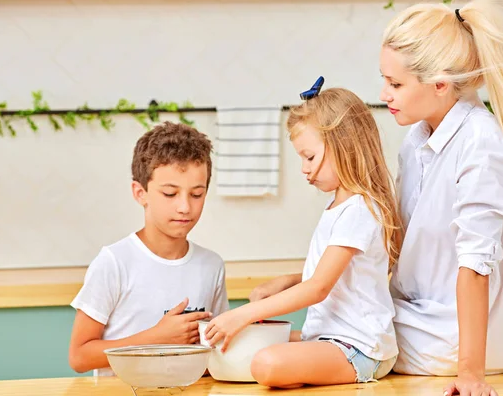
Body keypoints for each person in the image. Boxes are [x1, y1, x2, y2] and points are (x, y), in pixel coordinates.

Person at [379, 0, 503, 395]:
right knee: (343, 321)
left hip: (462, 342)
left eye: (396, 84)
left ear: (440, 84)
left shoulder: (481, 146)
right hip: (423, 322)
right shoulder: (417, 139)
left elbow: (475, 264)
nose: (384, 93)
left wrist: (470, 374)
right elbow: (400, 242)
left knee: (348, 333)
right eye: (384, 80)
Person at [203, 79, 403, 388]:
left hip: (359, 348)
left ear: (343, 145)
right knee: (246, 347)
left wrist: (242, 314)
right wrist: (288, 281)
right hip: (331, 339)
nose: (304, 169)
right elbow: (338, 273)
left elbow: (319, 288)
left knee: (265, 362)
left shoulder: (359, 210)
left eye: (309, 157)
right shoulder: (339, 206)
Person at [68, 121, 228, 376]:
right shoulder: (114, 262)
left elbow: (218, 348)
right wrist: (156, 337)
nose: (185, 207)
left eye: (196, 194)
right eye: (169, 193)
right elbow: (79, 356)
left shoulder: (212, 265)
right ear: (140, 193)